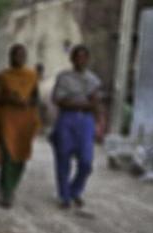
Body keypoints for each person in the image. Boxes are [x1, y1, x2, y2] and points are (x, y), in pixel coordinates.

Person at [0, 44, 40, 208]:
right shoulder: (4, 76)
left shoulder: (31, 76)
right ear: (10, 57)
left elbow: (36, 98)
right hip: (6, 121)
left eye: (22, 55)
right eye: (16, 55)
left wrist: (27, 102)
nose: (19, 58)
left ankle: (11, 183)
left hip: (25, 122)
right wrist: (9, 98)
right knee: (8, 153)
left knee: (20, 155)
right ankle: (7, 191)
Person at [50, 44, 101, 209]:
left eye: (84, 57)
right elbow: (58, 100)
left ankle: (75, 190)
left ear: (88, 59)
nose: (81, 60)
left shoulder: (93, 80)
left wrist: (99, 122)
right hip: (66, 119)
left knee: (86, 162)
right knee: (63, 158)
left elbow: (95, 103)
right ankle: (64, 196)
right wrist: (82, 103)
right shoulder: (64, 77)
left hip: (86, 121)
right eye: (77, 56)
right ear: (72, 59)